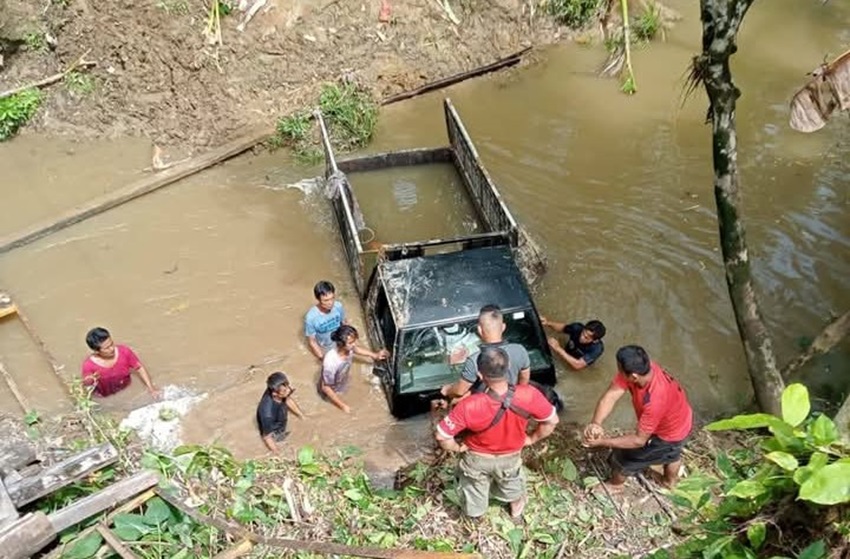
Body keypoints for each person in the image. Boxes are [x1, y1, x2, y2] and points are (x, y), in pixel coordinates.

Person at [435, 347, 559, 520]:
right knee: (512, 484)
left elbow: (442, 436)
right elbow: (552, 421)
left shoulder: (469, 404)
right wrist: (531, 438)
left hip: (477, 458)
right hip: (511, 455)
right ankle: (516, 512)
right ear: (508, 367)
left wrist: (457, 447)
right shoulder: (529, 395)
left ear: (479, 373)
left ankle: (475, 517)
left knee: (474, 489)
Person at [582, 345, 693, 489]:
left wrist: (602, 442)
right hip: (680, 416)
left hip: (670, 432)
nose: (618, 373)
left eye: (620, 371)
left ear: (633, 377)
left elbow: (638, 441)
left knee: (627, 458)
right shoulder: (643, 369)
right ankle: (669, 480)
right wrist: (596, 423)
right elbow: (610, 396)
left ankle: (616, 485)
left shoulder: (655, 400)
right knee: (672, 454)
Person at [440, 305, 531, 399]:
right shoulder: (520, 350)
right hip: (512, 400)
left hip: (487, 406)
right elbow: (524, 381)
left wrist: (447, 390)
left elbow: (460, 391)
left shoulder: (475, 359)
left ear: (479, 329)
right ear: (503, 327)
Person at [319, 325, 389, 413]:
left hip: (342, 380)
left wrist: (374, 355)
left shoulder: (349, 348)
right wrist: (342, 406)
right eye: (351, 343)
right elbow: (325, 388)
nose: (354, 344)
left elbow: (356, 349)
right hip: (333, 390)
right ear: (341, 344)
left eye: (354, 341)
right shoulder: (331, 362)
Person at [81, 327, 160, 399]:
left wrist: (151, 388)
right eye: (107, 348)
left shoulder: (124, 351)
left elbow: (139, 368)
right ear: (96, 351)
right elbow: (87, 386)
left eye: (111, 344)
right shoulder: (89, 366)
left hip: (127, 389)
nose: (112, 349)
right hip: (105, 397)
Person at [257, 372, 304, 453]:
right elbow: (267, 437)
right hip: (274, 430)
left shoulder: (277, 389)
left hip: (279, 415)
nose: (289, 390)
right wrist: (277, 452)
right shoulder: (267, 415)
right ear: (274, 394)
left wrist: (302, 416)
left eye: (287, 386)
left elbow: (287, 399)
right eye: (285, 390)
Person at [541, 316, 606, 370]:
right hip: (567, 351)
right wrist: (548, 323)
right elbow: (563, 328)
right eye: (583, 333)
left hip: (577, 363)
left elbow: (578, 365)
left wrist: (558, 349)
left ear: (595, 340)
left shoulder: (596, 349)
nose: (582, 337)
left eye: (586, 338)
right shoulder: (577, 328)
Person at [305, 280, 347, 360]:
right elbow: (312, 342)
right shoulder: (311, 318)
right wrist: (322, 358)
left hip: (339, 339)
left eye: (332, 298)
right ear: (318, 299)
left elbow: (344, 323)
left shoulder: (338, 306)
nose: (330, 303)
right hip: (326, 345)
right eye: (326, 300)